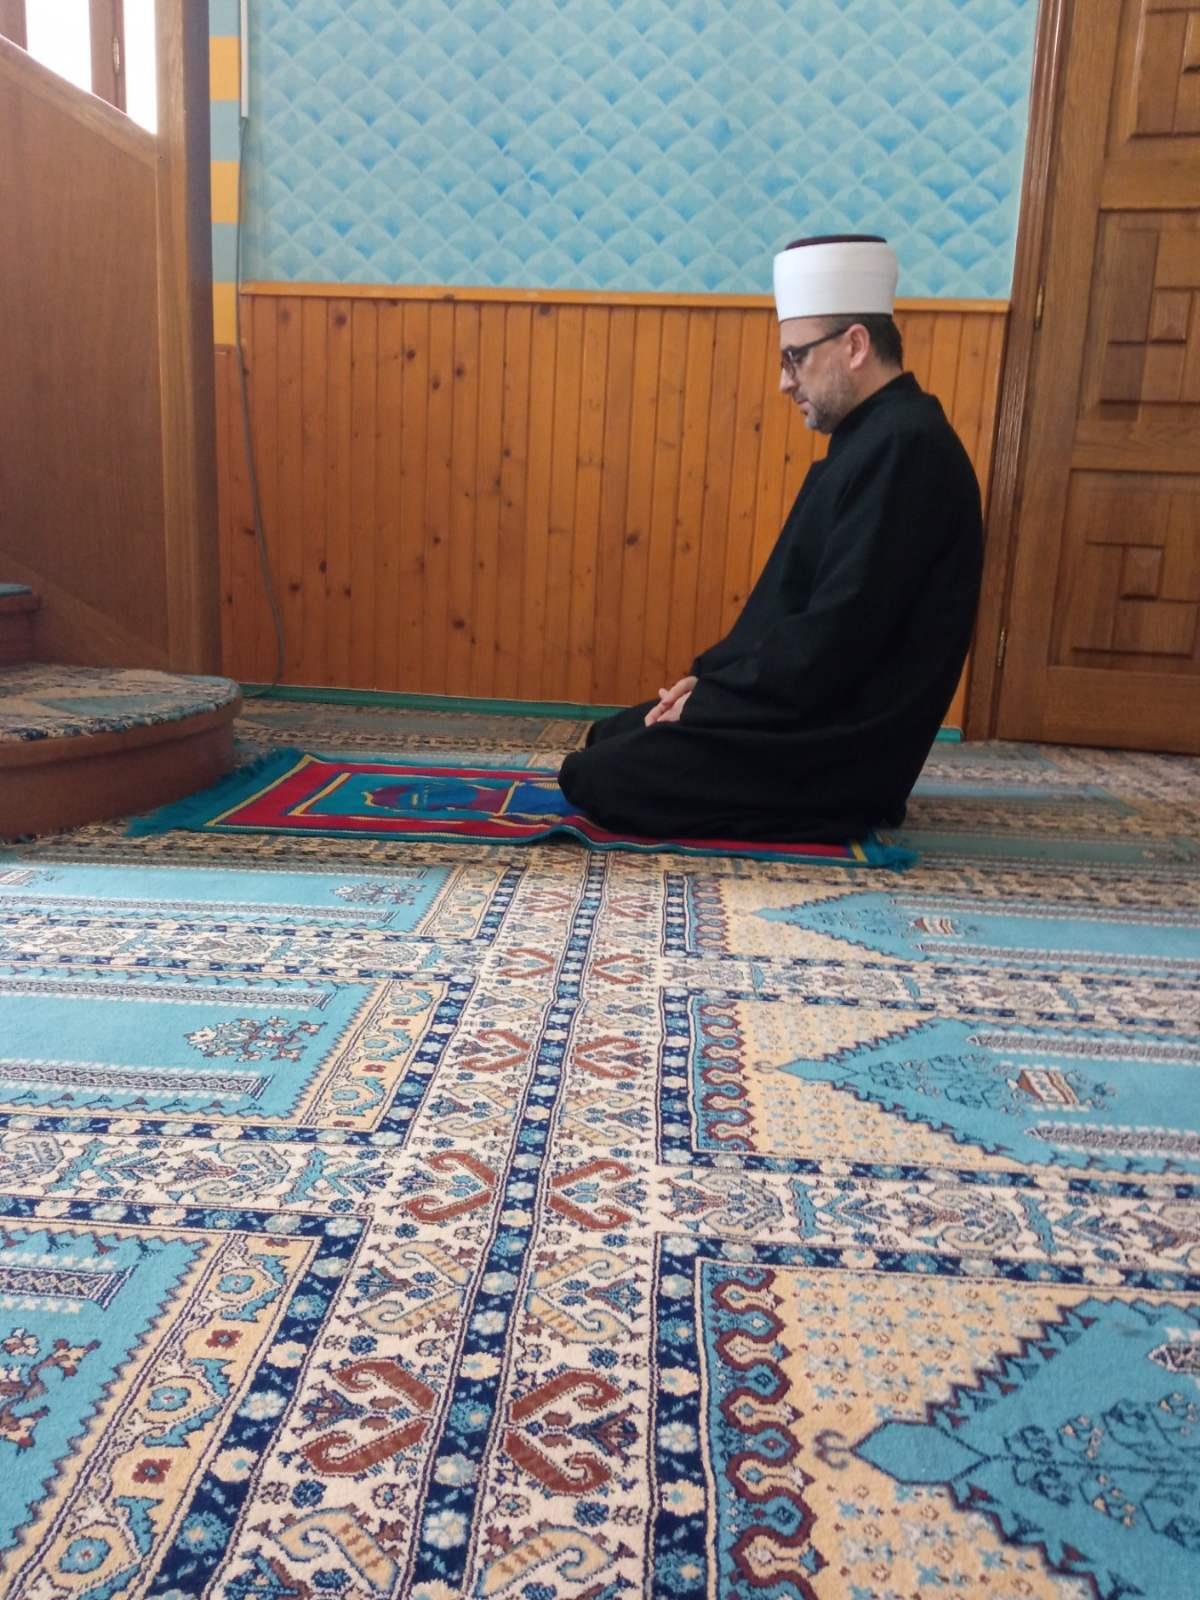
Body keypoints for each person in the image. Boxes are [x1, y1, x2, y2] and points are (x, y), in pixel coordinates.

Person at [557, 233, 983, 842]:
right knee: (612, 735)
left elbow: (837, 639)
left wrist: (713, 704)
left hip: (842, 746)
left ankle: (831, 812)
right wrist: (708, 685)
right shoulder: (876, 436)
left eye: (795, 358)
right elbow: (788, 609)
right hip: (814, 708)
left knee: (596, 776)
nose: (785, 382)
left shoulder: (906, 448)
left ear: (854, 346)